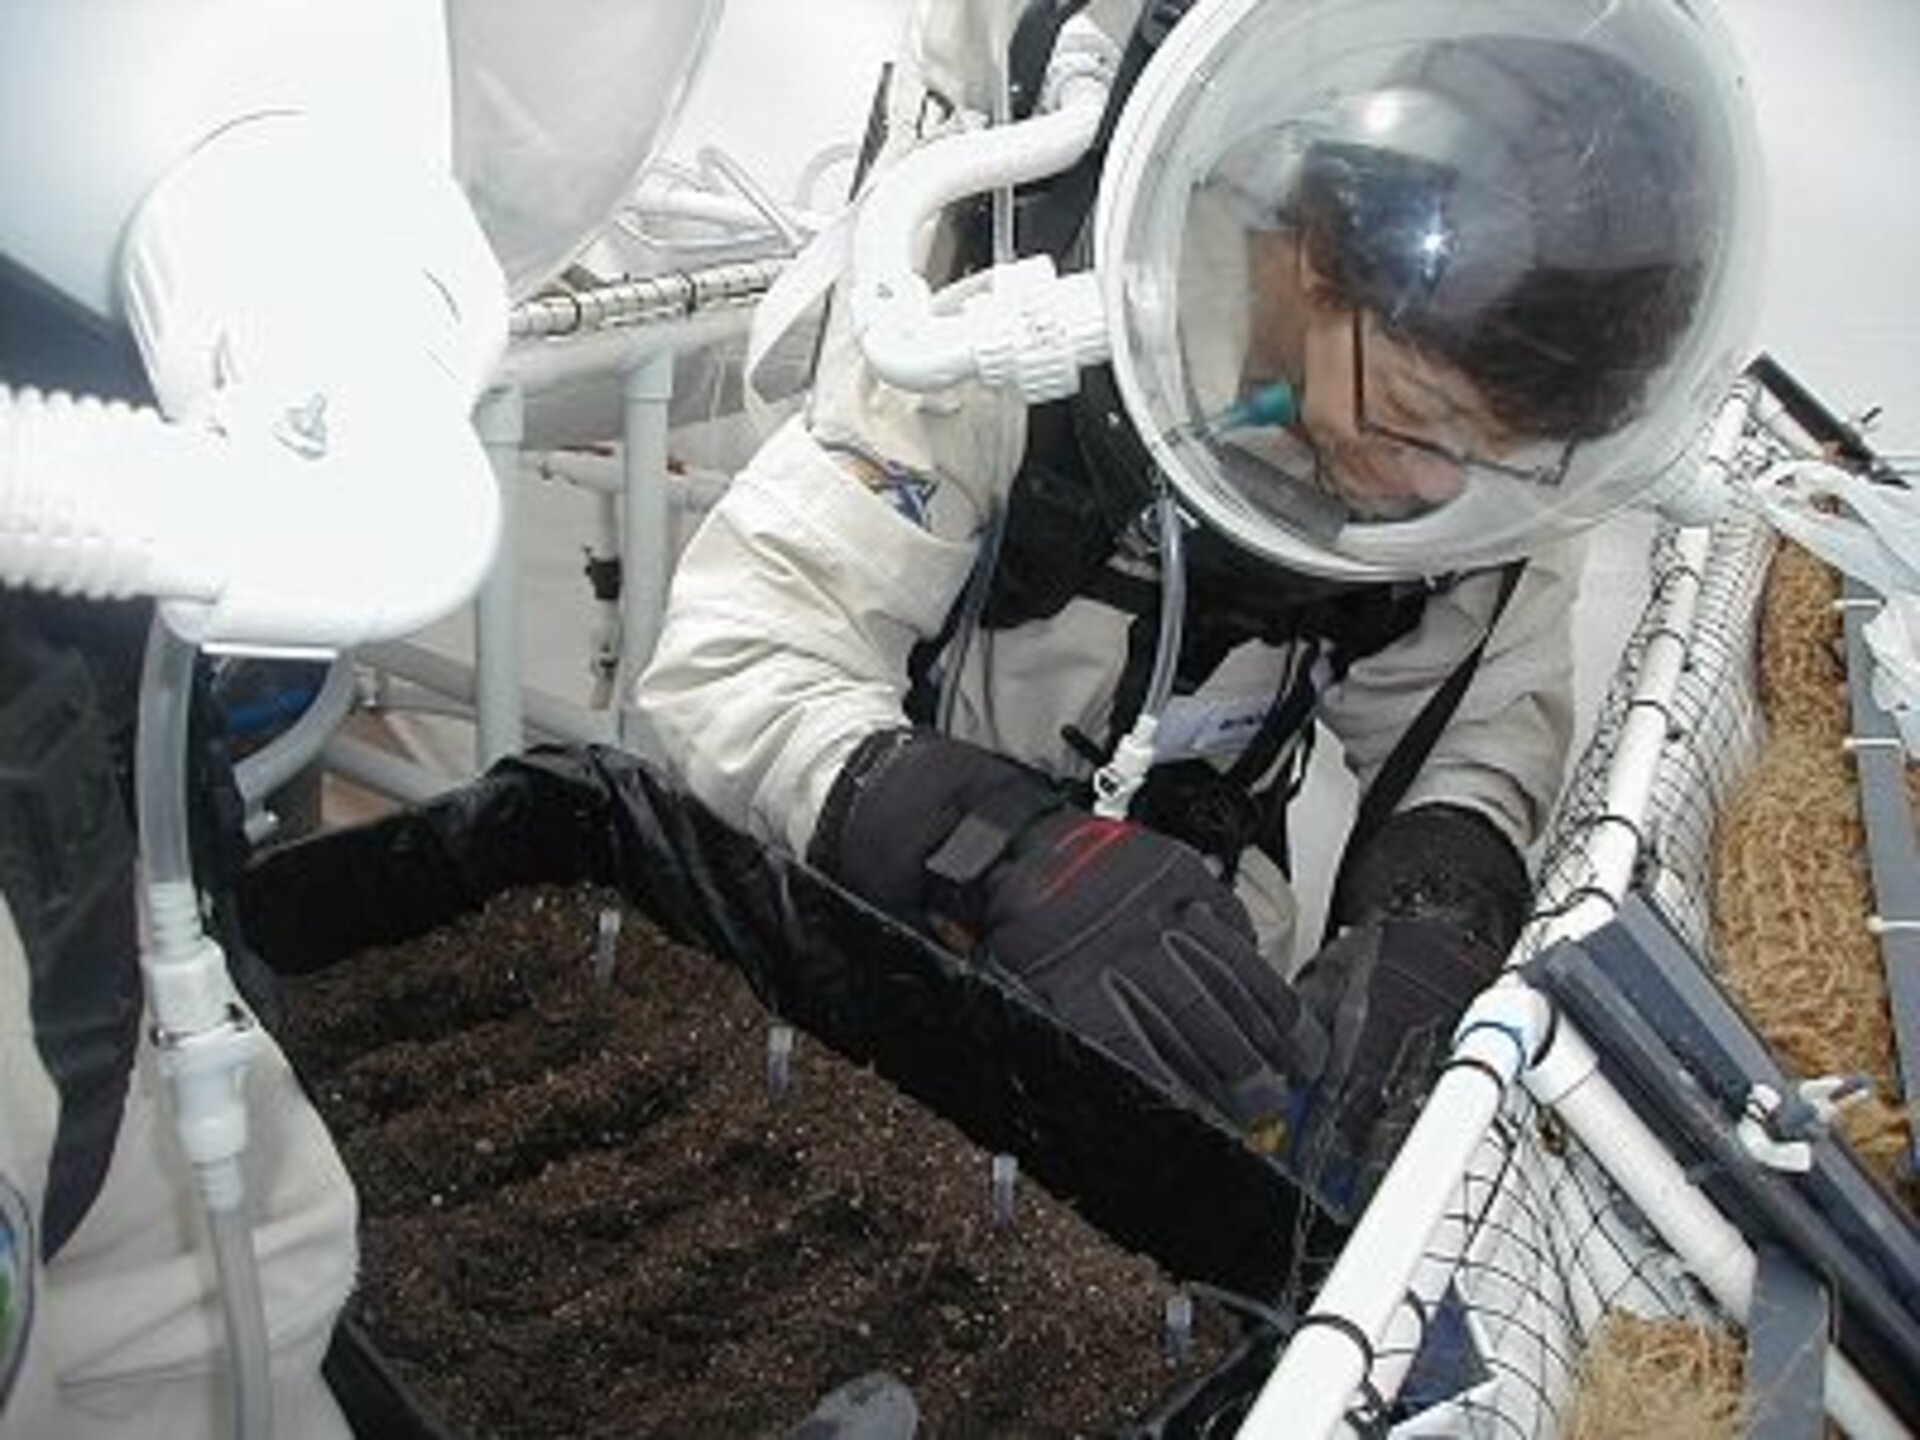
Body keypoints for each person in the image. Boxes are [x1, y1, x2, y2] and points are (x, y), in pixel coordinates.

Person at [635, 0, 1760, 1200]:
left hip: (1188, 954)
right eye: (1414, 420)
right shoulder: (1024, 317)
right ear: (1316, 263)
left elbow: (1476, 733)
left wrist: (1436, 928)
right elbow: (733, 662)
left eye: (1485, 461)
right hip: (869, 905)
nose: (1427, 490)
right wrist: (1001, 857)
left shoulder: (1476, 469)